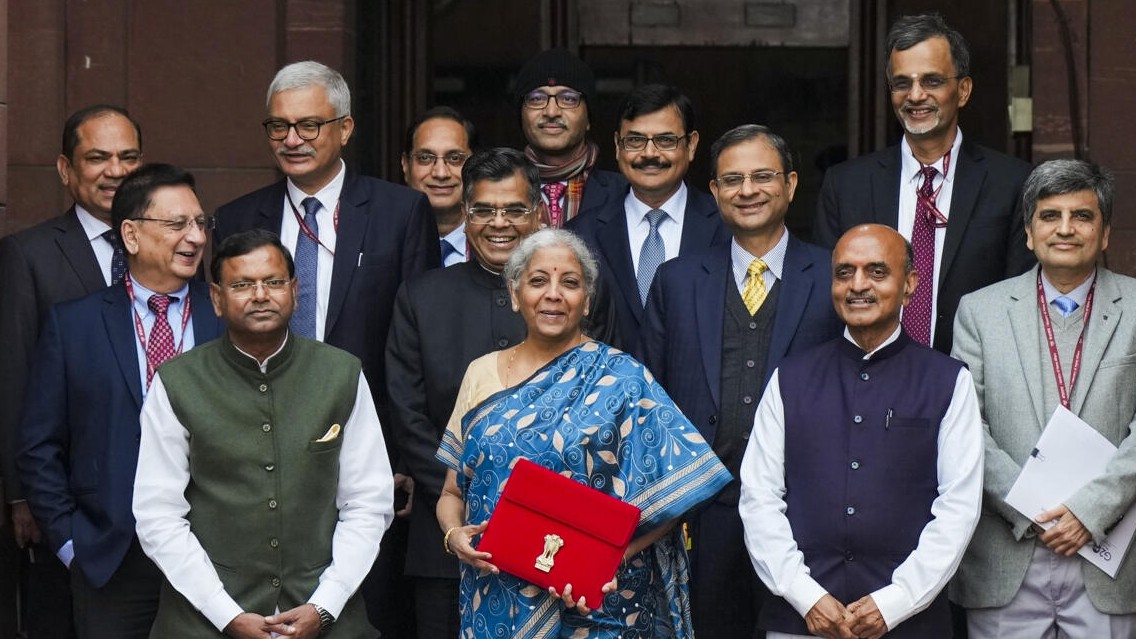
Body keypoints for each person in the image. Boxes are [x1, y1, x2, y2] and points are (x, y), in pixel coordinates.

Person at [213, 60, 438, 636]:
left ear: (346, 128)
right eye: (279, 127)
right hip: (259, 445)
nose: (293, 139)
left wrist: (406, 457)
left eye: (310, 125)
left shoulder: (398, 212)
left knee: (366, 606)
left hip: (369, 452)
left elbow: (418, 343)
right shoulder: (239, 217)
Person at [435, 229, 731, 638]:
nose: (553, 294)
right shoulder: (480, 372)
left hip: (596, 607)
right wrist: (455, 537)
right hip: (494, 600)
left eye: (570, 283)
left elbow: (679, 486)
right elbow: (452, 492)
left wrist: (611, 559)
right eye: (538, 281)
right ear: (515, 292)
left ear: (587, 300)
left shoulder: (624, 379)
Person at [388, 148, 619, 639]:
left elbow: (607, 405)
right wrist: (475, 506)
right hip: (447, 542)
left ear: (538, 212)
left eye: (514, 210)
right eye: (484, 210)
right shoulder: (421, 296)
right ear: (465, 215)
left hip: (561, 544)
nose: (500, 223)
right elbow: (408, 415)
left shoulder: (575, 294)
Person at [133, 228, 394, 638]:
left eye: (273, 282)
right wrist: (225, 613)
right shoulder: (177, 382)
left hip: (324, 613)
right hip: (202, 619)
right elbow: (157, 515)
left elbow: (368, 503)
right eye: (242, 285)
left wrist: (324, 606)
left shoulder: (341, 374)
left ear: (294, 289)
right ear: (217, 298)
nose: (260, 295)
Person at [640, 124, 842, 638]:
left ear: (791, 184)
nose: (746, 190)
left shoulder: (835, 276)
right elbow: (649, 400)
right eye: (732, 179)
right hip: (704, 518)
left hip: (805, 514)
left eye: (761, 176)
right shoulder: (678, 280)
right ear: (713, 191)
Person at [740, 223, 983, 639]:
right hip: (801, 620)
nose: (858, 285)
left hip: (910, 621)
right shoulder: (791, 377)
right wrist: (805, 595)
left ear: (909, 286)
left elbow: (959, 507)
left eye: (876, 272)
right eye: (844, 273)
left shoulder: (947, 380)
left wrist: (896, 602)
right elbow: (759, 496)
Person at [17, 163, 224, 638]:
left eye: (200, 223)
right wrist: (72, 544)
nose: (195, 237)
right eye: (177, 224)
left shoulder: (226, 316)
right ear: (130, 234)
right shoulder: (74, 326)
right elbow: (38, 446)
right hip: (111, 559)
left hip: (215, 554)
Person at [951, 159, 1136, 637]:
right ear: (1029, 234)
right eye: (1050, 216)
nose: (1066, 229)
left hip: (1107, 555)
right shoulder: (979, 311)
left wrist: (1087, 512)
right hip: (1006, 553)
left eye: (1082, 215)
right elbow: (964, 428)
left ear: (1106, 232)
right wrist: (1033, 508)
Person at [0, 104, 142, 639]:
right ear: (65, 169)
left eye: (128, 157)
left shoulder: (178, 245)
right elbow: (13, 376)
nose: (115, 171)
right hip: (66, 494)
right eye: (97, 158)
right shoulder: (27, 254)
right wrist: (22, 496)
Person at [813, 13, 1034, 354]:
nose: (915, 95)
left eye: (931, 81)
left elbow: (1019, 304)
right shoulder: (846, 185)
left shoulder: (1012, 183)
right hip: (866, 382)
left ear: (963, 90)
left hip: (973, 384)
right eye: (902, 83)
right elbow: (828, 299)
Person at [567, 83, 727, 346]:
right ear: (618, 145)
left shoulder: (726, 227)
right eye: (635, 140)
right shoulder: (580, 235)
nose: (650, 154)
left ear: (691, 145)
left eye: (665, 140)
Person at [514, 48, 624, 228]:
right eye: (536, 99)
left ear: (589, 117)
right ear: (521, 116)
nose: (551, 112)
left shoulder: (624, 193)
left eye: (568, 98)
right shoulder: (496, 189)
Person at [401, 106, 477, 266]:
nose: (441, 173)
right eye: (425, 158)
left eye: (455, 158)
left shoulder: (500, 248)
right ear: (405, 165)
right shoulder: (382, 243)